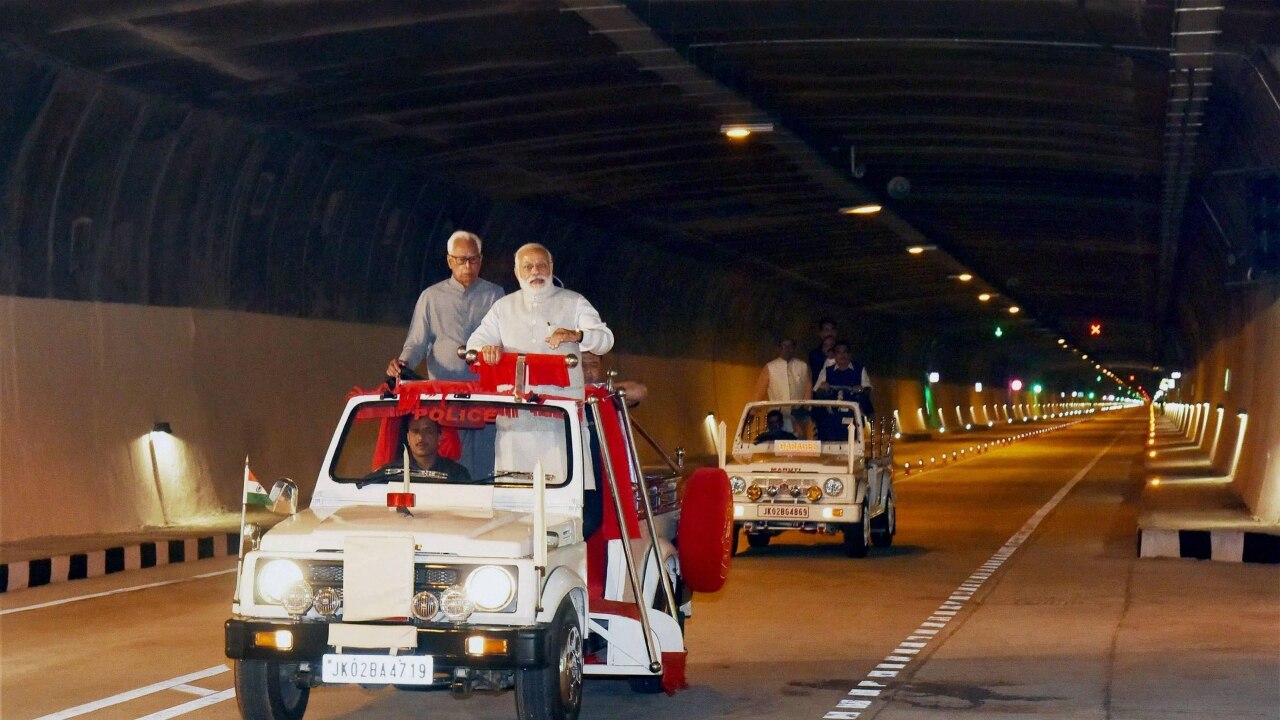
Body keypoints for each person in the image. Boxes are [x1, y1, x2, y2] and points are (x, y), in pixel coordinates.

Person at [467, 243, 614, 398]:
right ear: (517, 272)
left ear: (551, 268)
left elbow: (606, 340)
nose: (535, 271)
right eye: (528, 267)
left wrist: (576, 335)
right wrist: (487, 350)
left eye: (541, 265)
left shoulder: (574, 302)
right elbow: (474, 346)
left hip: (563, 404)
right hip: (514, 402)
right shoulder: (503, 306)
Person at [386, 230, 504, 382]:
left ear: (481, 260)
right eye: (461, 260)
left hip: (485, 388)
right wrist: (402, 364)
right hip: (442, 389)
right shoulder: (431, 296)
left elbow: (505, 341)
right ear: (449, 261)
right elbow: (416, 343)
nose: (468, 266)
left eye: (473, 259)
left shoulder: (496, 295)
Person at [396, 415, 472, 484]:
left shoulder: (457, 474)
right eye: (415, 431)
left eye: (427, 431)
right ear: (408, 438)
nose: (420, 438)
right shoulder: (393, 473)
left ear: (439, 437)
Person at [814, 340, 874, 419]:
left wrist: (861, 389)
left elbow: (868, 389)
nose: (842, 355)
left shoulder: (860, 370)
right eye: (838, 352)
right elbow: (817, 392)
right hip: (832, 416)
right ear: (834, 355)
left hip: (856, 415)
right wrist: (822, 388)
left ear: (850, 354)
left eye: (845, 352)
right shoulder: (827, 371)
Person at [754, 338, 813, 402]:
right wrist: (754, 406)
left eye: (790, 346)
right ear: (779, 348)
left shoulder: (803, 366)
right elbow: (759, 392)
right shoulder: (769, 367)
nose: (787, 349)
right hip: (777, 407)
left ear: (794, 348)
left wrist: (806, 406)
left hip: (798, 407)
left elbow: (808, 389)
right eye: (784, 346)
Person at [581, 351, 648, 407]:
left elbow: (640, 391)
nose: (588, 371)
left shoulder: (605, 396)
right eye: (582, 365)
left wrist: (605, 391)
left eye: (594, 365)